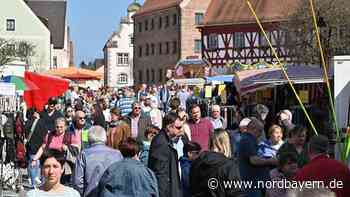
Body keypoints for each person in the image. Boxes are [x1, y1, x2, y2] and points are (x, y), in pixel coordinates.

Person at [190, 128, 245, 197]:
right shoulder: (229, 166)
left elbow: (192, 189)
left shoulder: (196, 163)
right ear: (226, 143)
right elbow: (236, 193)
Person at [73, 126, 123, 197]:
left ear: (89, 138)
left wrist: (83, 193)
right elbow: (122, 177)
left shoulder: (83, 154)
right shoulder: (117, 154)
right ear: (105, 138)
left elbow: (78, 182)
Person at [31, 117, 81, 185]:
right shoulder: (49, 135)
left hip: (64, 167)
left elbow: (76, 149)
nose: (59, 129)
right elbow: (43, 148)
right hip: (50, 164)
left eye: (61, 127)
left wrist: (67, 148)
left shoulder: (70, 136)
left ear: (65, 127)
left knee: (62, 186)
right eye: (57, 127)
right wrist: (34, 159)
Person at [238, 117, 277, 197]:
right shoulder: (247, 140)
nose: (260, 134)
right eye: (260, 131)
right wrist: (271, 161)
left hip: (255, 183)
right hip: (252, 184)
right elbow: (254, 160)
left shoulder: (249, 139)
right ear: (253, 129)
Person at [148, 112, 183, 197]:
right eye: (178, 127)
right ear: (169, 127)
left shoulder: (166, 140)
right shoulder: (161, 143)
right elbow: (160, 174)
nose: (181, 130)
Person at [25, 109, 47, 188]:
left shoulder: (27, 123)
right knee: (41, 164)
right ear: (35, 113)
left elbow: (25, 134)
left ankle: (33, 183)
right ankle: (42, 182)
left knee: (32, 164)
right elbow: (45, 134)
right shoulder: (42, 122)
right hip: (41, 146)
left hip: (31, 146)